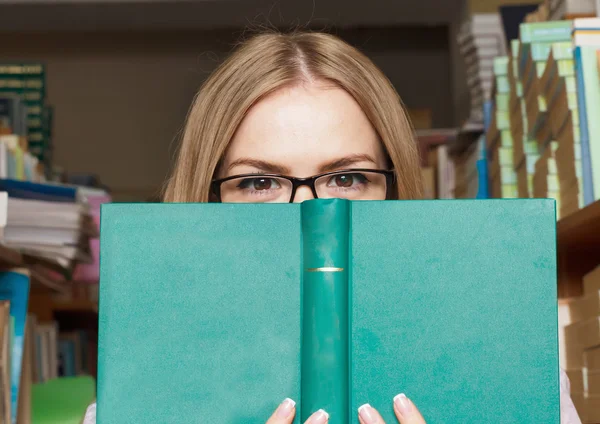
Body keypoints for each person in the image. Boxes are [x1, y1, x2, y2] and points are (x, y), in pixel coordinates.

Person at [84, 30, 581, 424]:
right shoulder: (135, 389)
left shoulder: (514, 363)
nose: (307, 211)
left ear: (395, 186)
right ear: (207, 194)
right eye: (259, 182)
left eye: (346, 178)